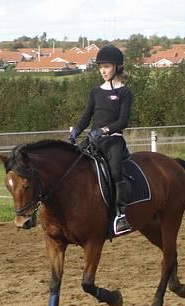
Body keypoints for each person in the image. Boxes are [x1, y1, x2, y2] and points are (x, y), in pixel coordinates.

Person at [69, 45, 133, 235]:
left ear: (117, 67)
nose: (103, 71)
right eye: (101, 67)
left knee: (114, 170)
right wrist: (76, 131)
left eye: (107, 66)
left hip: (113, 140)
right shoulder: (96, 91)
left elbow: (123, 121)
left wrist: (104, 130)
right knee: (73, 163)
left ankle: (121, 215)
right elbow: (86, 116)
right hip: (94, 140)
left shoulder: (125, 92)